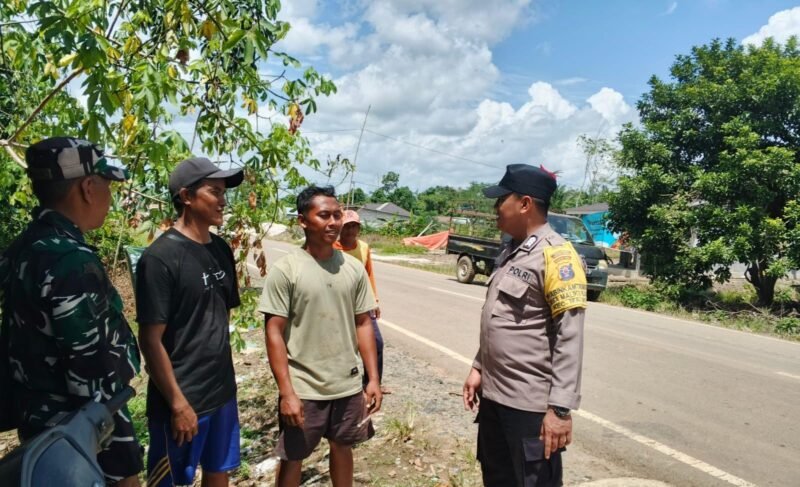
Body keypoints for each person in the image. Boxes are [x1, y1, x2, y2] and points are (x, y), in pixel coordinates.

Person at [0, 137, 142, 486]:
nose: (110, 197)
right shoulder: (71, 261)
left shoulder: (23, 248)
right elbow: (92, 380)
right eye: (107, 185)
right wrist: (122, 461)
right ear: (88, 188)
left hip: (40, 431)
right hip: (80, 437)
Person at [462, 164, 587, 487]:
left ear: (525, 204)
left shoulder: (557, 257)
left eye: (501, 200)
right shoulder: (511, 250)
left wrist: (560, 411)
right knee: (496, 477)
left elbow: (570, 337)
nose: (495, 208)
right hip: (495, 397)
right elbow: (500, 318)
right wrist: (478, 366)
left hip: (528, 407)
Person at [259, 186, 382, 487]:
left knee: (343, 447)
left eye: (337, 215)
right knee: (293, 456)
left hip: (346, 384)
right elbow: (274, 332)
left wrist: (373, 379)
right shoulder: (287, 270)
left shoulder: (353, 269)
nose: (333, 222)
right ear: (303, 221)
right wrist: (287, 392)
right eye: (324, 215)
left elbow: (363, 323)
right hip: (304, 388)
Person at [135, 157, 244, 487]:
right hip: (182, 399)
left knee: (219, 470)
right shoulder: (160, 258)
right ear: (186, 196)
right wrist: (178, 403)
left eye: (224, 192)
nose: (223, 201)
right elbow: (150, 340)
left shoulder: (221, 249)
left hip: (221, 391)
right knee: (171, 481)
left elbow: (220, 317)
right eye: (214, 192)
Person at [333, 209, 385, 387]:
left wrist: (374, 300)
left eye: (354, 226)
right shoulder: (331, 247)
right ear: (340, 228)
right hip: (339, 304)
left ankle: (372, 382)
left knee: (376, 343)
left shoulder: (363, 248)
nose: (350, 230)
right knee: (342, 345)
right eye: (347, 226)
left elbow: (368, 274)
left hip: (362, 303)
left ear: (359, 229)